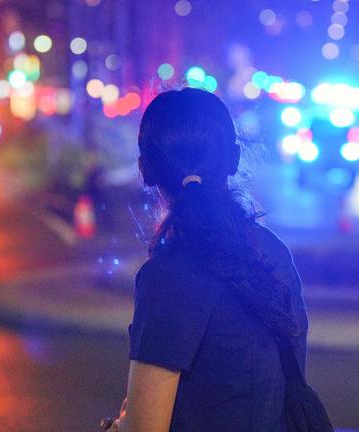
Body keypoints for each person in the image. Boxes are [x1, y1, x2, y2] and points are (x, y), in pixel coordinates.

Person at [108, 88, 309, 432]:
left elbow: (145, 427)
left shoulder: (168, 277)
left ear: (146, 170)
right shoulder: (273, 252)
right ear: (233, 159)